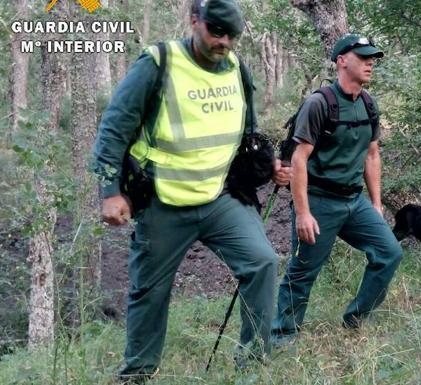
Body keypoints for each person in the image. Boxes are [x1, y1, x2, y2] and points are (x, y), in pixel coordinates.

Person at [92, 0, 291, 381]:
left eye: (232, 35)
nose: (224, 42)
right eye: (216, 31)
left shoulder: (237, 70)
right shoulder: (158, 64)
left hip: (220, 197)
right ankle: (137, 375)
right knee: (149, 292)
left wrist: (270, 168)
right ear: (194, 20)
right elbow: (113, 130)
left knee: (263, 262)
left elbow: (248, 138)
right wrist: (110, 190)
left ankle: (252, 368)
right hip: (164, 202)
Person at [271, 34, 403, 342]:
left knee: (389, 253)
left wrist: (375, 203)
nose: (370, 62)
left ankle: (355, 321)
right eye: (363, 57)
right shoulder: (319, 104)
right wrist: (303, 213)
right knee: (303, 273)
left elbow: (372, 155)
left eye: (373, 58)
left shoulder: (369, 105)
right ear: (342, 60)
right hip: (319, 203)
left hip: (354, 201)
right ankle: (282, 340)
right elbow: (299, 160)